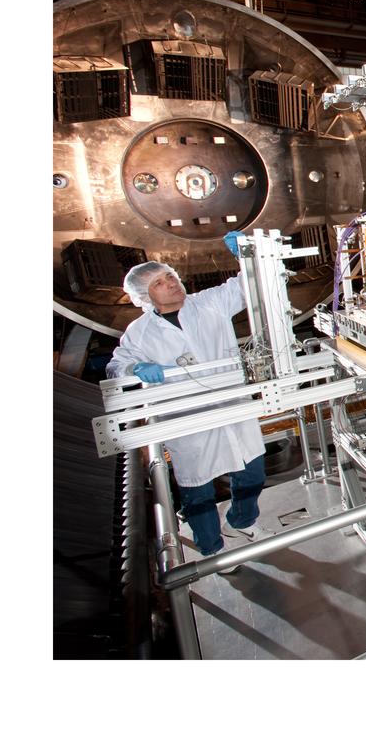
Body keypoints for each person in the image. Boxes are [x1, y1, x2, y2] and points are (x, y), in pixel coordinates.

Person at [107, 231, 268, 568]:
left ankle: (241, 522)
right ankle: (212, 549)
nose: (171, 284)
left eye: (171, 277)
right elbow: (116, 367)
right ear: (146, 296)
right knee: (198, 492)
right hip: (186, 421)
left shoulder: (209, 303)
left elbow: (250, 286)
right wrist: (137, 366)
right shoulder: (139, 332)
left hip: (231, 407)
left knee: (251, 472)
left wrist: (249, 255)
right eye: (160, 283)